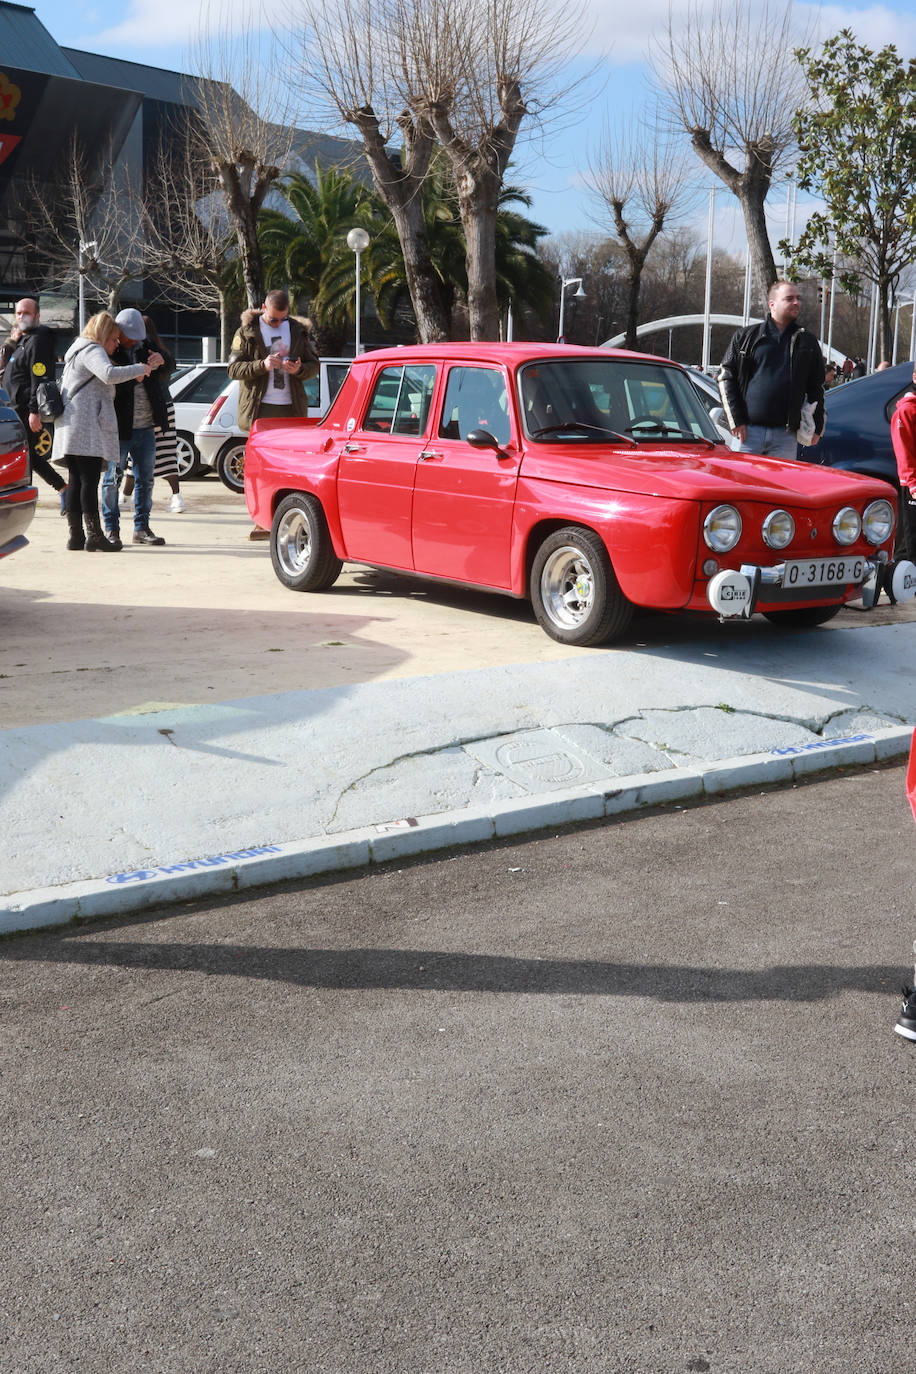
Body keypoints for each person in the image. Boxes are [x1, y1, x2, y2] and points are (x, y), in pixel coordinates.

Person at [51, 312, 153, 552]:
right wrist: (138, 368)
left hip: (74, 423)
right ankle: (95, 536)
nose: (117, 343)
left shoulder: (78, 349)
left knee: (76, 480)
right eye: (114, 339)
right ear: (104, 335)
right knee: (89, 480)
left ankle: (76, 536)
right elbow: (108, 374)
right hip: (85, 425)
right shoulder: (92, 349)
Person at [228, 289, 319, 540]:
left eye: (283, 318)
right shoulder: (246, 331)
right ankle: (261, 520)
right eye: (274, 319)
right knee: (260, 468)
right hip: (260, 409)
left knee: (292, 468)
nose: (279, 323)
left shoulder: (298, 330)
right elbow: (233, 369)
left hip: (292, 408)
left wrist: (299, 369)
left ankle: (289, 518)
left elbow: (314, 366)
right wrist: (262, 365)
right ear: (263, 308)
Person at [717, 281, 825, 461]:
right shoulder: (745, 337)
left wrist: (817, 427)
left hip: (786, 436)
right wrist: (735, 419)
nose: (796, 303)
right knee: (742, 487)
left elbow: (817, 387)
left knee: (779, 489)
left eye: (798, 298)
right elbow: (726, 377)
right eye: (789, 299)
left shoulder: (807, 342)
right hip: (747, 434)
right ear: (772, 304)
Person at [101, 308, 167, 547]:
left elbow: (170, 363)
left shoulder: (145, 343)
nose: (133, 341)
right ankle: (111, 529)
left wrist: (162, 360)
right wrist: (133, 377)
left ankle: (141, 528)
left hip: (147, 425)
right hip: (118, 428)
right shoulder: (108, 349)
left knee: (146, 479)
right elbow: (106, 385)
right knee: (112, 479)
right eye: (128, 336)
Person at [3, 297, 68, 512]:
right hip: (15, 407)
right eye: (19, 313)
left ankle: (26, 498)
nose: (21, 316)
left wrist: (34, 411)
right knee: (28, 454)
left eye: (26, 313)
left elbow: (39, 376)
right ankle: (61, 488)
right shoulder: (24, 340)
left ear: (37, 316)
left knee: (25, 455)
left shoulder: (39, 339)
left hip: (24, 408)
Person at [119, 316, 185, 514]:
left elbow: (168, 365)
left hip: (154, 410)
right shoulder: (158, 349)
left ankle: (125, 498)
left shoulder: (148, 350)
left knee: (144, 457)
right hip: (163, 409)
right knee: (162, 455)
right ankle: (175, 497)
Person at [890, 364, 916, 562]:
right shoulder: (906, 412)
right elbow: (903, 451)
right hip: (912, 486)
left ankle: (894, 582)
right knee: (911, 541)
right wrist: (912, 482)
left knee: (907, 547)